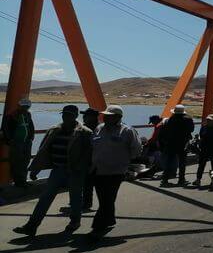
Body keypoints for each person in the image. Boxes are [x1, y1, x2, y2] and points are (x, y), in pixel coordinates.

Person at [13, 105, 93, 237]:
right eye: (64, 114)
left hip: (75, 171)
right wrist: (35, 170)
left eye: (68, 114)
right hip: (57, 170)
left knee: (75, 199)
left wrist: (82, 169)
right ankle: (31, 226)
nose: (65, 117)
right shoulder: (54, 130)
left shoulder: (84, 132)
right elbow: (43, 151)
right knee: (44, 198)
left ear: (75, 116)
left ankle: (75, 222)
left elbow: (89, 153)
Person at [87, 105, 141, 239]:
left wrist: (125, 160)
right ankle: (110, 220)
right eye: (105, 115)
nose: (105, 117)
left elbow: (136, 149)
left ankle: (97, 226)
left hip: (116, 171)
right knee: (104, 198)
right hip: (98, 170)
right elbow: (92, 145)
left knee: (107, 198)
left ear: (118, 117)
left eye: (109, 115)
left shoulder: (127, 131)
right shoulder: (99, 128)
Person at [1, 97, 35, 188]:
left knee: (25, 161)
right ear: (19, 106)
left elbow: (31, 126)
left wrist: (31, 137)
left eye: (27, 106)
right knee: (17, 162)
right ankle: (18, 182)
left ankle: (23, 181)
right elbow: (6, 128)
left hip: (27, 142)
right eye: (24, 106)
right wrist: (10, 140)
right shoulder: (12, 115)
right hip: (16, 142)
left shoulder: (28, 114)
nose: (26, 108)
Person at [159, 104, 194, 186]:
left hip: (171, 143)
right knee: (182, 162)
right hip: (183, 143)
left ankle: (165, 179)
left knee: (169, 161)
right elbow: (191, 129)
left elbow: (167, 130)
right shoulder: (188, 119)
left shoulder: (171, 119)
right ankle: (181, 180)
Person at [193, 115, 213, 187]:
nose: (208, 121)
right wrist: (197, 139)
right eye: (207, 120)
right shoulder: (203, 127)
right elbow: (200, 136)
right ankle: (198, 180)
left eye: (210, 120)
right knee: (201, 165)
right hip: (204, 149)